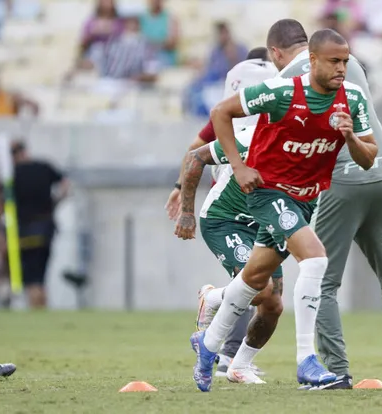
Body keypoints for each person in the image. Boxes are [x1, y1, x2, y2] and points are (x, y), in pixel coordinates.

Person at [175, 18, 382, 391]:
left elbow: (368, 156)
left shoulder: (352, 99)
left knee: (255, 281)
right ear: (313, 60)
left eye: (346, 61)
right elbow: (220, 113)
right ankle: (307, 361)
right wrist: (238, 168)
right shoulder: (280, 92)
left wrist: (349, 135)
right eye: (334, 61)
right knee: (316, 258)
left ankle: (208, 347)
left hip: (304, 198)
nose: (341, 68)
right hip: (267, 192)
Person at [166, 47, 279, 383]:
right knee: (259, 289)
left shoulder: (292, 136)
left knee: (273, 305)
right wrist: (185, 208)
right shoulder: (245, 133)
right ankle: (211, 299)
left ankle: (237, 364)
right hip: (226, 216)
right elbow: (196, 155)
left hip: (263, 222)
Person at [8, 141, 69, 308]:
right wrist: (55, 203)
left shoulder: (12, 173)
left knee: (30, 274)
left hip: (25, 229)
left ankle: (35, 308)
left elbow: (4, 202)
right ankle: (42, 306)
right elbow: (65, 184)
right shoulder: (44, 167)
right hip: (45, 227)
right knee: (42, 272)